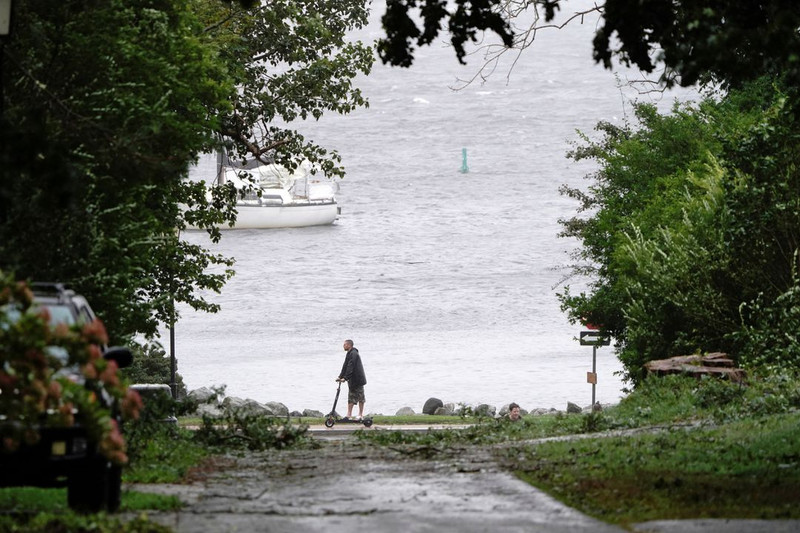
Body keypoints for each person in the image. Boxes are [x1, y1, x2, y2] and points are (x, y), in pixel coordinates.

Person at [337, 339, 367, 420]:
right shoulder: (349, 353)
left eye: (344, 345)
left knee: (360, 397)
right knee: (351, 397)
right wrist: (340, 376)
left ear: (349, 345)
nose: (343, 346)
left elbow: (351, 366)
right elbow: (345, 366)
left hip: (358, 379)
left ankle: (360, 415)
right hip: (352, 380)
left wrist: (345, 378)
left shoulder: (354, 354)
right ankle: (349, 415)